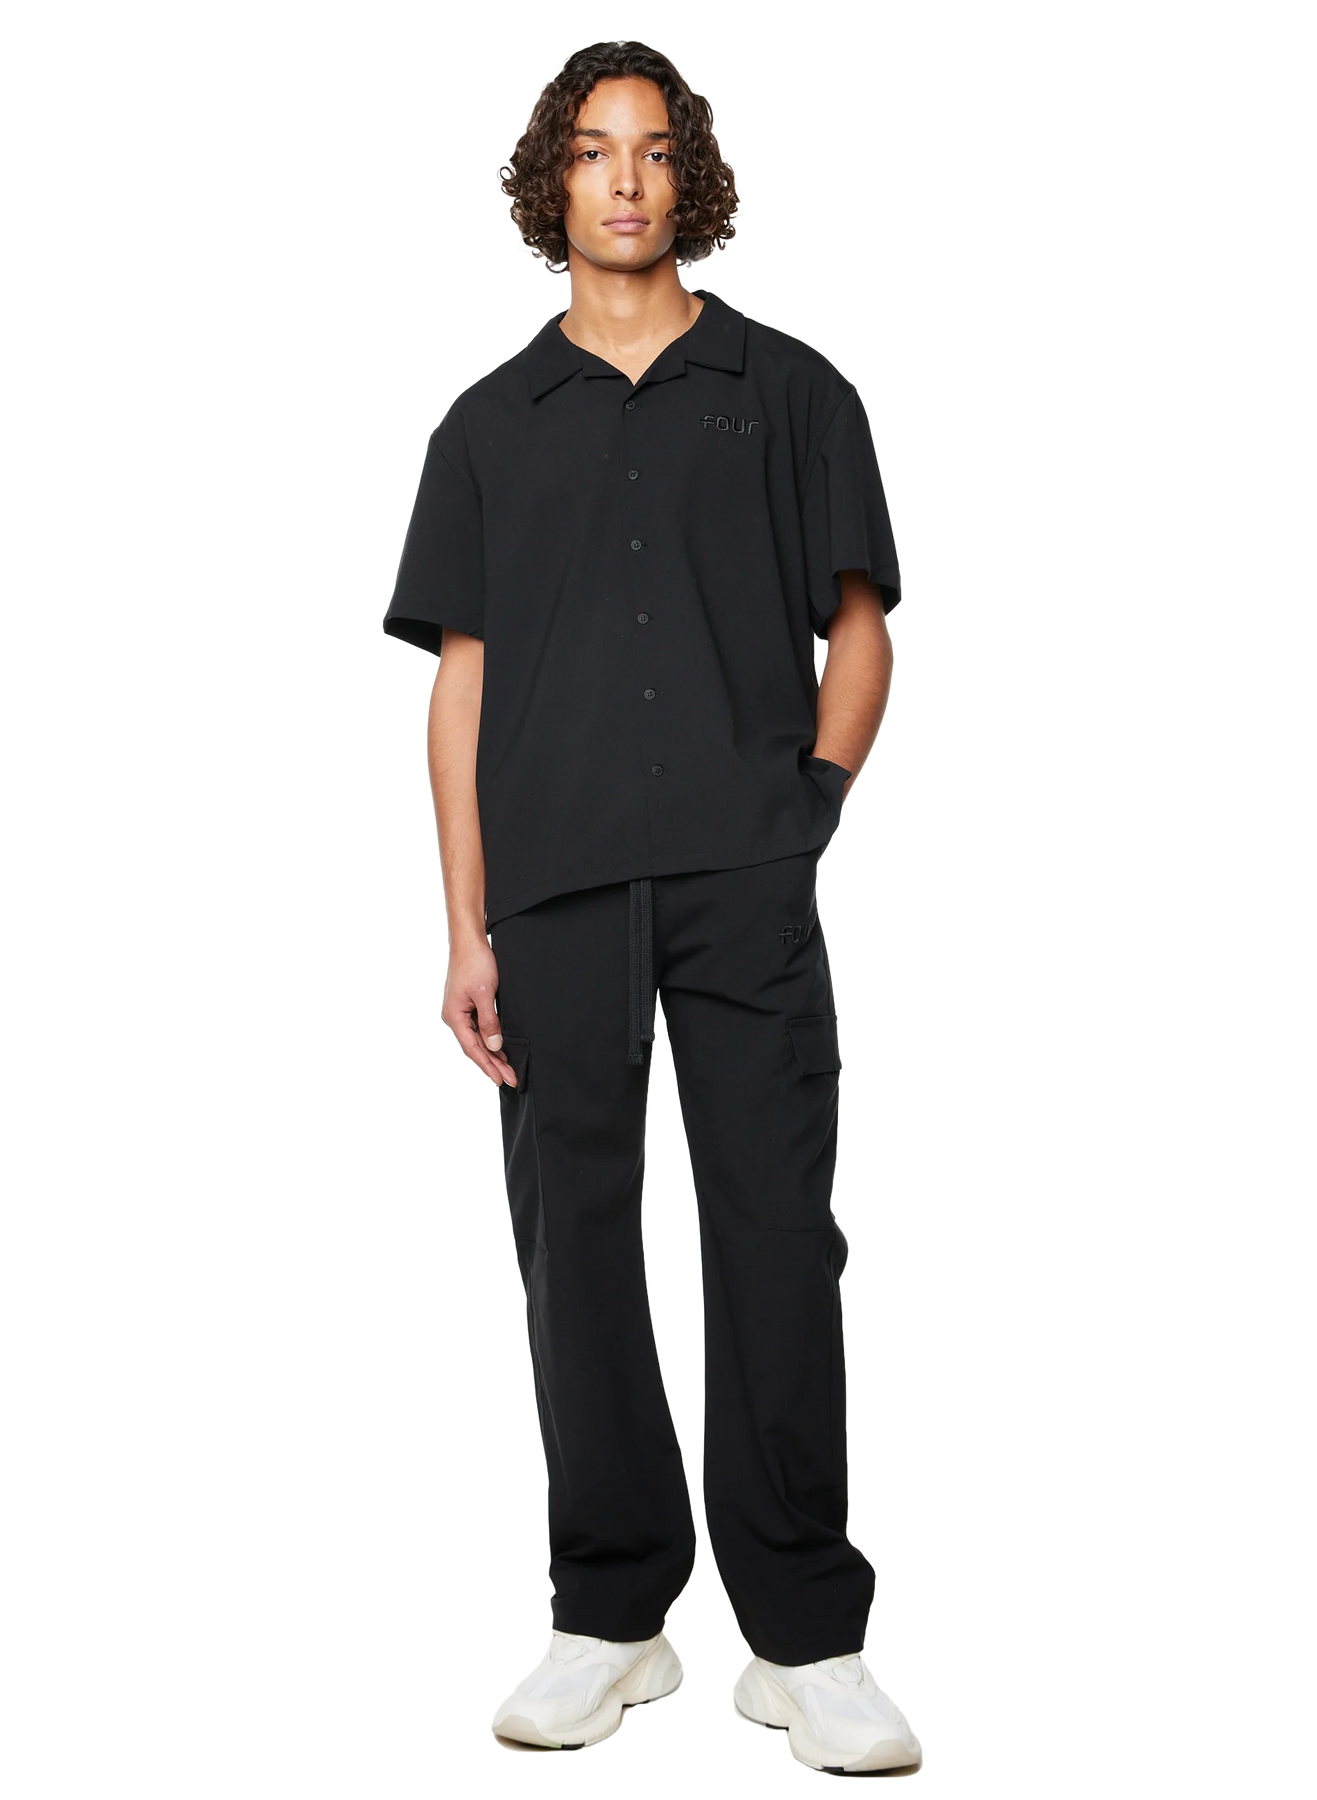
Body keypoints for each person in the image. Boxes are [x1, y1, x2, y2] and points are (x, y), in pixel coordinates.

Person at [380, 37, 925, 1779]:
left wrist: (805, 812)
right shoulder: (485, 425)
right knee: (572, 1242)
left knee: (778, 1232)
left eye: (655, 149)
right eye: (592, 151)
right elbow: (459, 687)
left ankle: (808, 1639)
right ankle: (611, 1616)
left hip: (742, 878)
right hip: (548, 889)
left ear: (693, 178)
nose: (624, 178)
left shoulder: (794, 390)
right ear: (551, 183)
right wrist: (464, 928)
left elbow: (863, 626)